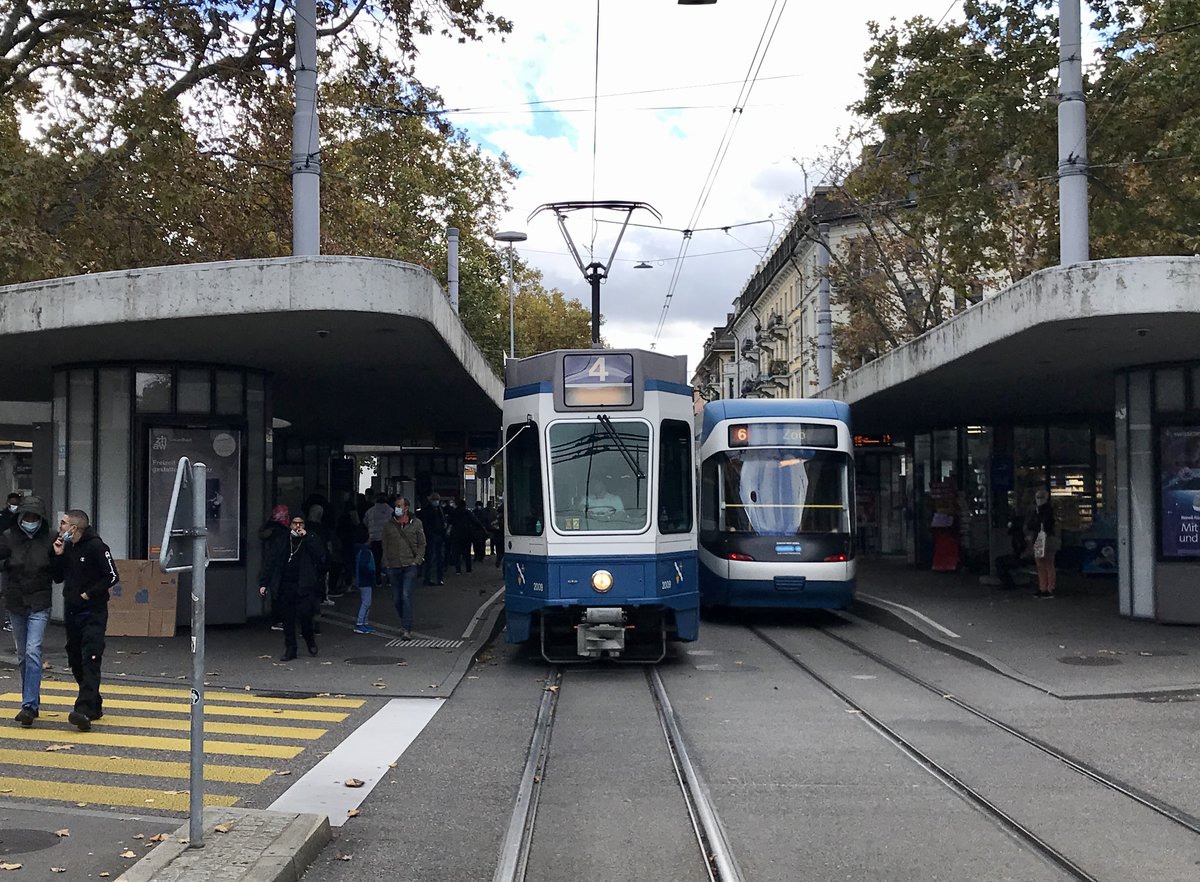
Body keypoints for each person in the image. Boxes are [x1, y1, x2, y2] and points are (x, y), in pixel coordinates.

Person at [52, 509, 118, 732]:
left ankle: (83, 709)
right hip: (72, 612)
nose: (60, 527)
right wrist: (58, 555)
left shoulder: (97, 546)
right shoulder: (68, 546)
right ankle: (94, 704)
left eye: (63, 523)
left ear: (74, 528)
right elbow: (58, 577)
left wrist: (89, 593)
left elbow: (112, 576)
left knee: (90, 657)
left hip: (93, 611)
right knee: (76, 659)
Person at [0, 496, 55, 727]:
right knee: (23, 655)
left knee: (33, 651)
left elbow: (59, 573)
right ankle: (31, 699)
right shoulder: (9, 538)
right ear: (19, 518)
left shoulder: (51, 538)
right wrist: (7, 565)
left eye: (35, 518)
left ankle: (29, 706)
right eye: (26, 517)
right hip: (16, 601)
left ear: (41, 519)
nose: (30, 521)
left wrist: (59, 556)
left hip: (39, 601)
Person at [259, 513, 326, 660]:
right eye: (295, 523)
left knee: (305, 615)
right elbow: (271, 561)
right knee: (288, 619)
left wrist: (307, 537)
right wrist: (264, 582)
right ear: (290, 525)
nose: (298, 526)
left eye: (300, 523)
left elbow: (321, 554)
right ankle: (291, 648)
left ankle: (309, 640)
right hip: (286, 584)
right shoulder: (282, 540)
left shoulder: (310, 539)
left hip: (305, 584)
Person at [381, 496, 425, 640]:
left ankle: (406, 628)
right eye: (396, 506)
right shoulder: (388, 525)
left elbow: (422, 543)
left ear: (406, 508)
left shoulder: (416, 523)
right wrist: (386, 562)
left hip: (409, 565)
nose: (397, 509)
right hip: (393, 566)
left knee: (406, 596)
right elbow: (385, 545)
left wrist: (417, 560)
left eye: (399, 506)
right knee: (396, 599)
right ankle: (404, 620)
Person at [258, 505, 290, 631]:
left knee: (275, 593)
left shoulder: (269, 529)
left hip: (272, 566)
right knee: (282, 594)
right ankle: (280, 619)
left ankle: (277, 619)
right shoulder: (283, 533)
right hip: (281, 566)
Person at [1028, 488, 1059, 598]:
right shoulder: (1039, 510)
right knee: (1042, 565)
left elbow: (1043, 524)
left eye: (1041, 498)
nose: (1039, 500)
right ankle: (1044, 588)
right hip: (1041, 538)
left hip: (1046, 538)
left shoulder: (1045, 511)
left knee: (1046, 564)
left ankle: (1048, 588)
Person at [994, 509, 1030, 590]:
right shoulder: (1020, 534)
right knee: (1001, 561)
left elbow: (1023, 549)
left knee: (999, 562)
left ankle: (1008, 584)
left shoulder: (1019, 535)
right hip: (1020, 556)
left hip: (1021, 557)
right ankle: (1008, 583)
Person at [363, 493, 393, 586]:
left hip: (374, 538)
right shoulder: (390, 510)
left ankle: (377, 580)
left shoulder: (370, 511)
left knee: (376, 559)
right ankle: (389, 580)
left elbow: (365, 522)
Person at [419, 493, 446, 585]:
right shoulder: (427, 510)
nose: (436, 501)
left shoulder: (439, 509)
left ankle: (439, 578)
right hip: (431, 536)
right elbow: (425, 524)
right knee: (430, 558)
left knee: (439, 558)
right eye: (435, 499)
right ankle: (428, 578)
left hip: (439, 536)